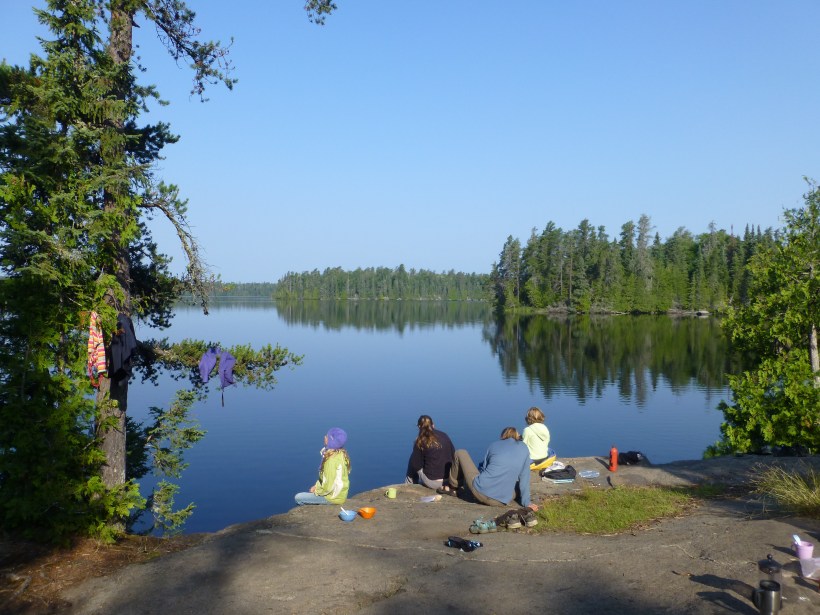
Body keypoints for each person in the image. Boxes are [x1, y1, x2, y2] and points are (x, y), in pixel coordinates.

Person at [437, 427, 538, 511]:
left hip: (480, 492)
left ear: (502, 436)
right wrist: (526, 503)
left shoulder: (494, 445)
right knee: (517, 484)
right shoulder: (524, 448)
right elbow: (524, 477)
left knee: (460, 452)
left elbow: (484, 469)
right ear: (517, 436)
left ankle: (453, 487)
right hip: (501, 502)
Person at [294, 427, 351, 505]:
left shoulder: (331, 461)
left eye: (327, 436)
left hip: (333, 498)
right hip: (340, 494)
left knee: (298, 497)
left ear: (330, 441)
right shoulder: (341, 454)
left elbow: (328, 487)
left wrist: (316, 491)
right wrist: (316, 486)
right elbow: (327, 479)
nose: (325, 437)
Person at [405, 415, 456, 489]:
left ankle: (409, 485)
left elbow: (416, 465)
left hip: (433, 483)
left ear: (419, 427)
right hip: (449, 480)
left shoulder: (420, 441)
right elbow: (453, 455)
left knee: (413, 459)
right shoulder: (444, 435)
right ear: (433, 425)